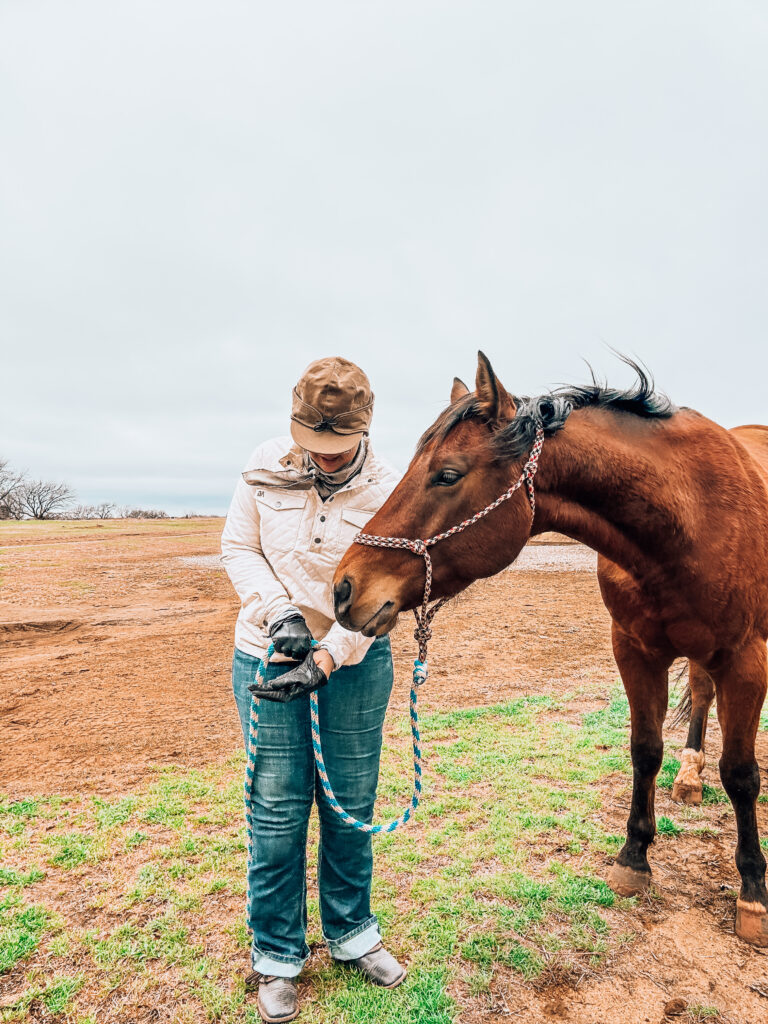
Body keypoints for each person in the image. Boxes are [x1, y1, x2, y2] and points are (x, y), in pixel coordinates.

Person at [221, 357, 403, 1023]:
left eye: (335, 448)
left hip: (352, 666)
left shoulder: (392, 491)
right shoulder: (264, 463)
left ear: (364, 429)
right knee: (276, 810)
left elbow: (388, 593)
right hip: (265, 653)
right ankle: (276, 956)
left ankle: (353, 934)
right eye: (311, 444)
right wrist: (283, 614)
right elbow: (239, 547)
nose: (320, 459)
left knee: (349, 804)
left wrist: (328, 655)